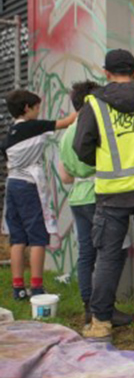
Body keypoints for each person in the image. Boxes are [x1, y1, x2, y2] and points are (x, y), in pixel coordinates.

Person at [75, 49, 134, 342]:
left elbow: (82, 147)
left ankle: (101, 322)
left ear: (106, 73)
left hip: (112, 194)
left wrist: (104, 162)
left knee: (107, 257)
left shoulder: (94, 104)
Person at [58, 80, 134, 327]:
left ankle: (88, 306)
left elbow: (65, 176)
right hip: (99, 194)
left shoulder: (66, 133)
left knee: (86, 253)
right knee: (114, 251)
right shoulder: (93, 127)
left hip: (78, 197)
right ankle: (105, 308)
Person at [2, 89, 76, 300]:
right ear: (27, 108)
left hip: (13, 184)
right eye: (36, 108)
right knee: (37, 238)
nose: (38, 111)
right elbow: (67, 121)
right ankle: (37, 288)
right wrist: (85, 105)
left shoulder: (11, 132)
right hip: (28, 186)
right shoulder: (33, 127)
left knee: (17, 239)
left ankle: (18, 288)